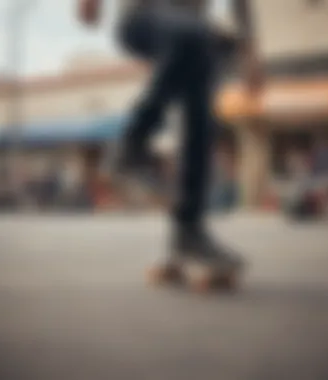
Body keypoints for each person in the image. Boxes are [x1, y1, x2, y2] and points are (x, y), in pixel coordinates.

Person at [78, 0, 262, 270]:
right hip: (142, 17)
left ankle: (189, 232)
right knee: (195, 36)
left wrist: (249, 50)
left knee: (200, 115)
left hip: (193, 35)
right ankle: (132, 142)